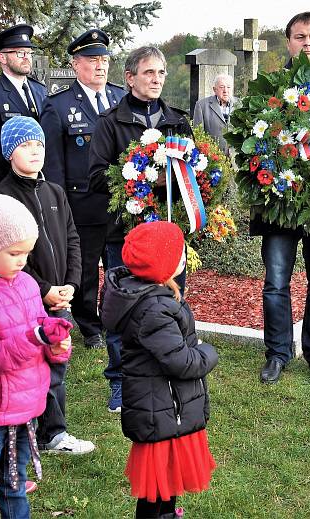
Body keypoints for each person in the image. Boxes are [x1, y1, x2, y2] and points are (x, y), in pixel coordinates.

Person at [0, 194, 73, 518]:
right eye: (14, 252)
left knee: (14, 484)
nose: (22, 260)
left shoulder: (27, 284)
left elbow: (37, 328)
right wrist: (35, 338)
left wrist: (56, 346)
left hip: (25, 410)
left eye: (26, 253)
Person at [88, 45, 192, 412]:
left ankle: (175, 370)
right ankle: (121, 380)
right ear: (129, 77)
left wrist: (179, 184)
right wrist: (142, 179)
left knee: (174, 301)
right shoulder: (109, 123)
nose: (157, 79)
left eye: (161, 72)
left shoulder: (177, 121)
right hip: (125, 233)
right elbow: (96, 176)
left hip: (167, 234)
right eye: (149, 72)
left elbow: (195, 174)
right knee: (123, 307)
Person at [101, 221, 218, 519]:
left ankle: (168, 514)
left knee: (166, 483)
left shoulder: (150, 294)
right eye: (180, 254)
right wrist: (206, 351)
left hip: (164, 409)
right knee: (157, 489)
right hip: (161, 410)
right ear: (163, 263)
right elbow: (182, 362)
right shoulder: (153, 309)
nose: (183, 258)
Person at [0, 116, 94, 455]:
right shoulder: (1, 198)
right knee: (27, 367)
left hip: (60, 298)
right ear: (9, 152)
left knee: (57, 365)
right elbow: (6, 256)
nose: (35, 151)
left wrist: (71, 284)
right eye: (25, 145)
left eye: (39, 144)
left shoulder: (55, 192)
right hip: (25, 301)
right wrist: (44, 289)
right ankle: (26, 430)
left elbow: (72, 239)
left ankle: (55, 432)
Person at [253, 12, 310, 385]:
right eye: (300, 36)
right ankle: (277, 353)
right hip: (279, 201)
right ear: (288, 42)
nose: (307, 43)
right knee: (275, 282)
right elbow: (253, 142)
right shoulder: (270, 88)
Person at [40, 28, 125, 351]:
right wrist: (58, 207)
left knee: (120, 266)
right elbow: (53, 164)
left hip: (120, 204)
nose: (100, 66)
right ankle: (90, 326)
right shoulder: (58, 106)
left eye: (104, 60)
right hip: (81, 203)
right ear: (76, 65)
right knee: (86, 269)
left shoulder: (120, 99)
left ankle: (116, 317)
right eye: (92, 60)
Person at [0, 24, 47, 188]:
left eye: (29, 52)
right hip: (8, 186)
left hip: (41, 182)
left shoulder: (40, 90)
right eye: (20, 53)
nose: (26, 57)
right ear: (2, 57)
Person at [192, 73, 235, 153]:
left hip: (236, 158)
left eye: (228, 87)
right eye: (222, 87)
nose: (225, 91)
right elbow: (198, 135)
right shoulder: (202, 105)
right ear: (214, 89)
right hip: (213, 157)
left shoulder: (240, 105)